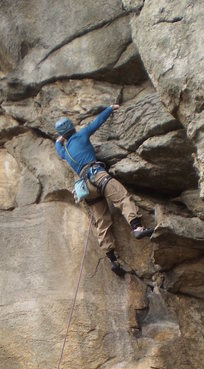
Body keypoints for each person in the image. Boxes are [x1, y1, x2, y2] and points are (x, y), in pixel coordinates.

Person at [55, 104, 153, 275]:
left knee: (102, 221)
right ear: (72, 127)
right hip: (97, 175)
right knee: (122, 198)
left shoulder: (64, 151)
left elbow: (58, 147)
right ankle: (137, 228)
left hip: (86, 187)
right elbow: (97, 122)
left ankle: (112, 259)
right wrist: (110, 108)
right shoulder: (81, 136)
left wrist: (60, 140)